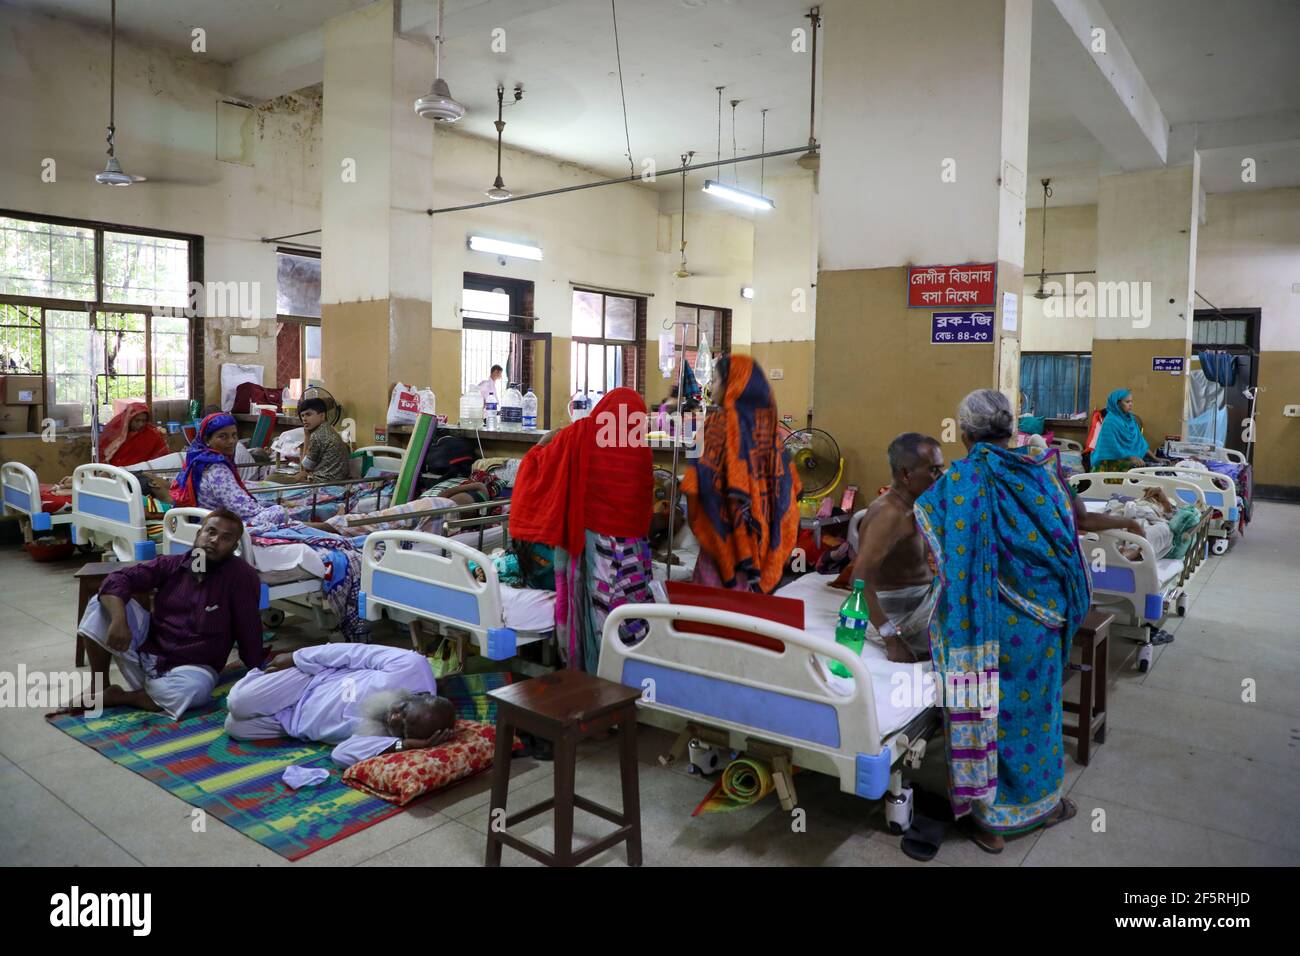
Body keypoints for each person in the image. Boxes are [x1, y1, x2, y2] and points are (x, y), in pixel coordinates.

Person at [916, 389, 1140, 854]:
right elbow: (1069, 528)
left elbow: (931, 538)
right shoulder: (1042, 470)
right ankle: (1044, 805)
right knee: (1037, 713)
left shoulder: (962, 481)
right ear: (1010, 428)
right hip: (1043, 622)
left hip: (986, 624)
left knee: (985, 714)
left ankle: (990, 822)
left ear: (965, 433)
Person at [509, 387, 655, 672]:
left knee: (597, 610)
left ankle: (595, 674)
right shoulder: (642, 450)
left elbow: (535, 465)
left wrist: (545, 441)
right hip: (633, 554)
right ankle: (632, 672)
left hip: (596, 549)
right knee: (629, 610)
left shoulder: (582, 434)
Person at [75, 508, 264, 718]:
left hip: (191, 669)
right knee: (100, 604)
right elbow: (117, 579)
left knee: (195, 692)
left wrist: (258, 671)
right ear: (198, 534)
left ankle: (124, 697)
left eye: (225, 538)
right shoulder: (172, 564)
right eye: (210, 532)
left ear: (233, 547)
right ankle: (100, 686)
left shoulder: (241, 578)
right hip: (148, 652)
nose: (214, 540)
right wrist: (119, 621)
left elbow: (249, 627)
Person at [681, 354, 801, 593]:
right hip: (760, 541)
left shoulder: (715, 426)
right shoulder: (769, 431)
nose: (710, 387)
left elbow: (697, 484)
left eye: (714, 381)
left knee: (713, 612)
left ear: (731, 384)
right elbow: (786, 489)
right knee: (746, 613)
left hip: (722, 540)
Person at [224, 644, 456, 766]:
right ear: (417, 695)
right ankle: (258, 679)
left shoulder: (389, 738)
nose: (394, 719)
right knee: (238, 703)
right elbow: (352, 653)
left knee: (235, 727)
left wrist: (403, 745)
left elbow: (341, 755)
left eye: (403, 728)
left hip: (292, 723)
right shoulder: (413, 666)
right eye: (403, 711)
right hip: (308, 682)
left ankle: (265, 702)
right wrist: (296, 656)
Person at [849, 433, 945, 663]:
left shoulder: (916, 504)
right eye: (934, 470)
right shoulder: (889, 514)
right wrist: (891, 639)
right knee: (973, 623)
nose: (940, 477)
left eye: (942, 468)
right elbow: (858, 580)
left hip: (922, 601)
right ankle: (969, 692)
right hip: (903, 617)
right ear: (905, 474)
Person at [1091, 388, 1152, 472]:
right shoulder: (1110, 421)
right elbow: (1114, 449)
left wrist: (1156, 458)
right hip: (1110, 465)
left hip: (1128, 461)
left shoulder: (1131, 419)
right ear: (1117, 403)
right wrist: (1131, 457)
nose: (1131, 404)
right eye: (1127, 402)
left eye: (1131, 401)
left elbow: (1141, 443)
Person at [98, 401, 170, 468]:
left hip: (140, 474)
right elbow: (102, 454)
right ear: (128, 419)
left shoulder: (152, 435)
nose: (141, 424)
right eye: (137, 420)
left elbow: (162, 456)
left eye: (144, 421)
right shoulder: (114, 430)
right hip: (114, 473)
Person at [297, 397, 350, 482]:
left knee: (274, 478)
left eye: (308, 414)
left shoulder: (317, 435)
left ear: (322, 415)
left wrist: (307, 436)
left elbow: (305, 468)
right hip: (339, 480)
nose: (304, 419)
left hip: (323, 483)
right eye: (302, 415)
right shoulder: (330, 429)